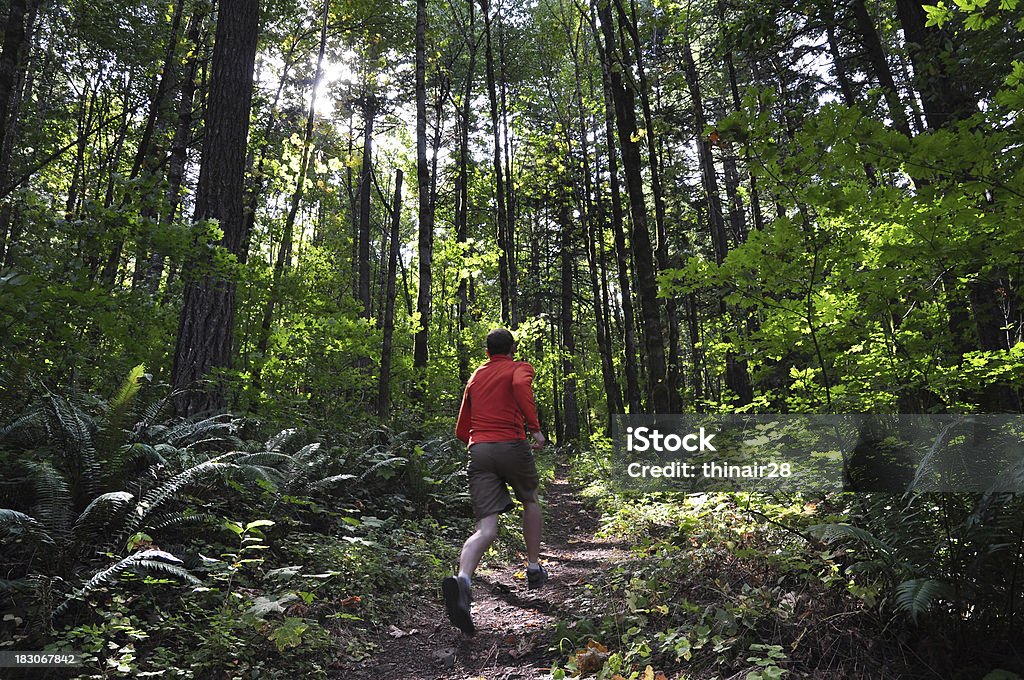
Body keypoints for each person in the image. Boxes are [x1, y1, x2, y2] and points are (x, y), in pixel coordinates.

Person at [442, 328, 547, 636]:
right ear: (511, 349)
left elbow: (462, 429)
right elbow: (519, 386)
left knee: (486, 528)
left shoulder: (475, 376)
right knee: (529, 499)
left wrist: (480, 445)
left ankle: (463, 580)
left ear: (487, 351)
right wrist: (535, 429)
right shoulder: (519, 368)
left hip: (479, 449)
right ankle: (532, 566)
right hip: (512, 444)